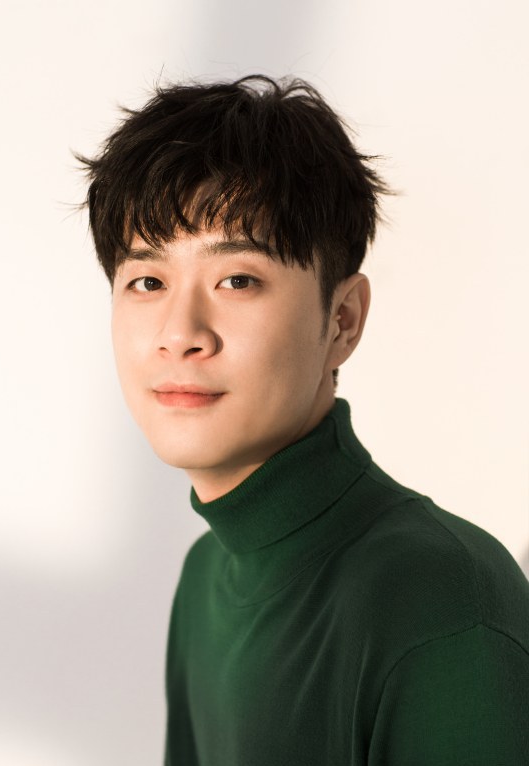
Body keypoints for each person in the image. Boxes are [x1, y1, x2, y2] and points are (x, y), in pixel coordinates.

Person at [77, 75, 529, 765]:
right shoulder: (206, 577)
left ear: (342, 320)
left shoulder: (443, 604)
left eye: (238, 280)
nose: (180, 334)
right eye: (148, 281)